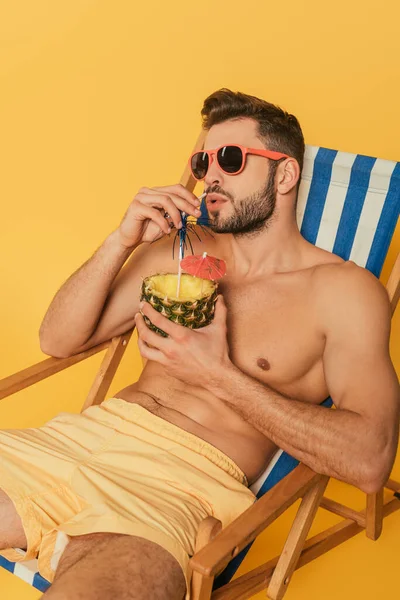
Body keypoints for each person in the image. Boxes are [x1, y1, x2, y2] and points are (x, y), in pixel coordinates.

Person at [0, 89, 399, 600]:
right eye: (202, 160)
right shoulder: (180, 249)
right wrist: (121, 240)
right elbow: (56, 340)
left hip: (177, 490)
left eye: (231, 160)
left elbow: (369, 461)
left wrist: (218, 374)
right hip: (72, 443)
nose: (211, 175)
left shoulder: (341, 292)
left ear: (285, 175)